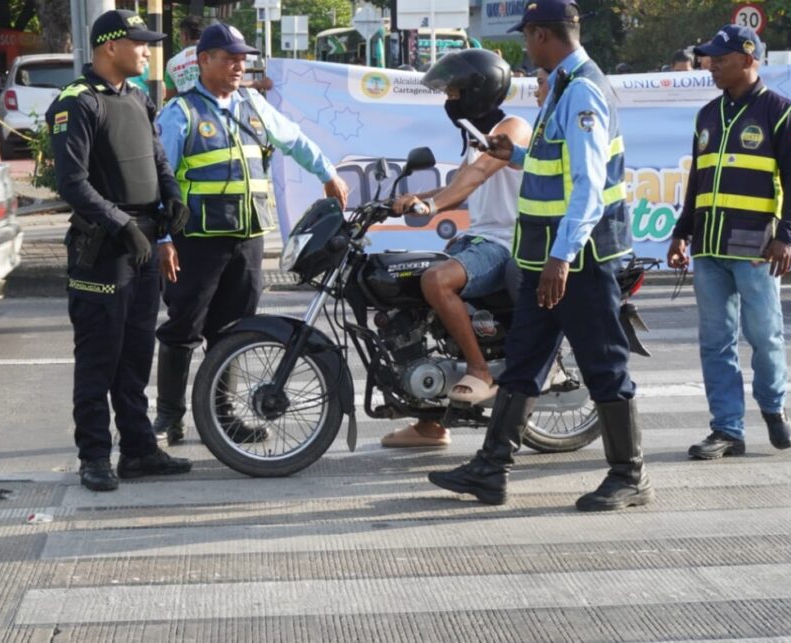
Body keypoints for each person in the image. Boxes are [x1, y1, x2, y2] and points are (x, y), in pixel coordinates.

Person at [428, 0, 653, 512]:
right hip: (540, 260)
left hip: (579, 261)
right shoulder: (563, 88)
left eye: (527, 37)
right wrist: (519, 157)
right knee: (525, 361)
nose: (525, 48)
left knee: (603, 365)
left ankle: (630, 475)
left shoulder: (584, 91)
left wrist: (562, 258)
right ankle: (491, 470)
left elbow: (589, 186)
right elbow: (556, 161)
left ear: (542, 34)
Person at [151, 23, 349, 444]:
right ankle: (170, 415)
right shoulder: (180, 113)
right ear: (204, 61)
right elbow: (158, 180)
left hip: (247, 239)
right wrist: (163, 239)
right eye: (229, 57)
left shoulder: (253, 105)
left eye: (242, 57)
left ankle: (223, 418)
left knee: (235, 332)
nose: (239, 65)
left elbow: (294, 139)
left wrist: (327, 172)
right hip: (197, 241)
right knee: (183, 327)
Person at [45, 9, 193, 492]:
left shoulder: (139, 97)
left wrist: (171, 198)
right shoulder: (78, 102)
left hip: (144, 241)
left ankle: (138, 450)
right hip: (104, 248)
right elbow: (72, 182)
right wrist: (119, 222)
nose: (147, 50)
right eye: (140, 42)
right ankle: (94, 457)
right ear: (111, 46)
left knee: (135, 354)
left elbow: (157, 156)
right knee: (98, 358)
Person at [378, 49, 532, 448]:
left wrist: (431, 206)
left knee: (436, 280)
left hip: (503, 243)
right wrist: (410, 197)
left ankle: (481, 371)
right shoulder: (475, 139)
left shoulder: (512, 128)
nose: (448, 98)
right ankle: (430, 421)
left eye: (453, 90)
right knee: (404, 301)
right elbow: (458, 184)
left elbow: (477, 177)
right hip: (475, 239)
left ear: (478, 90)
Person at [667, 25, 791, 460]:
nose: (711, 66)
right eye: (708, 58)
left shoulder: (781, 113)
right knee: (715, 342)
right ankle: (727, 430)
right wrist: (681, 232)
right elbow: (697, 181)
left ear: (748, 60)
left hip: (757, 250)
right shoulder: (706, 115)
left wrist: (786, 237)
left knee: (764, 336)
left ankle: (773, 405)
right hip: (708, 247)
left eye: (719, 59)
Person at [164, 16, 272, 101]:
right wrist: (258, 83)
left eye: (242, 59)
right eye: (232, 59)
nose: (240, 67)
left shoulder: (172, 63)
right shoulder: (212, 54)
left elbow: (170, 95)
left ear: (184, 36)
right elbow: (225, 83)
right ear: (204, 60)